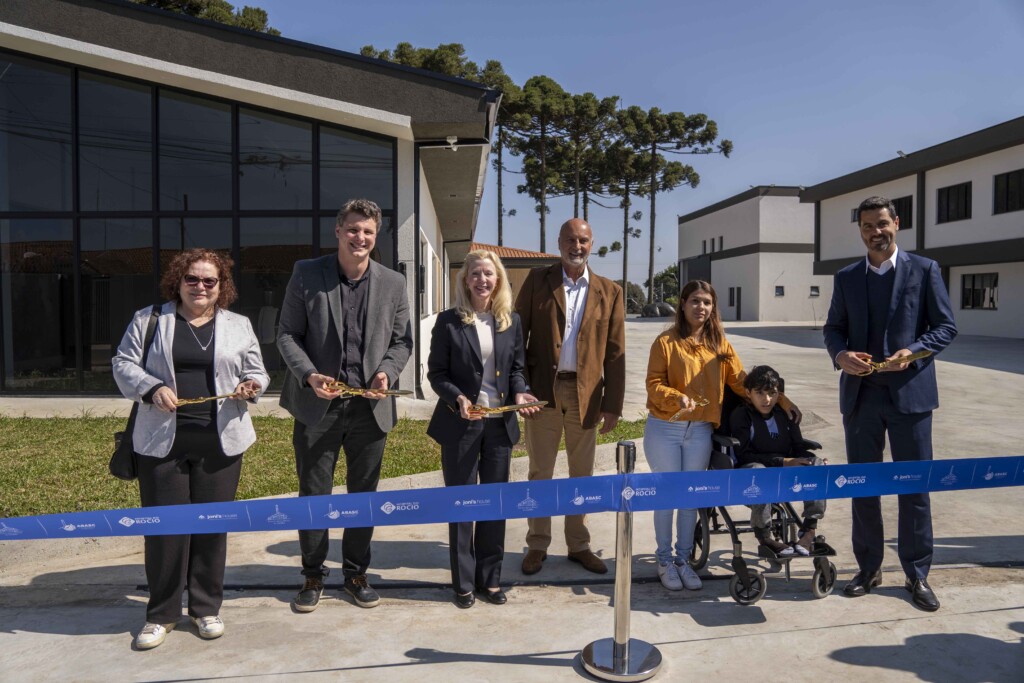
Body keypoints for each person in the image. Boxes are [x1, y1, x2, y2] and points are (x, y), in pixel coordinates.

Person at [112, 249, 269, 650]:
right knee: (165, 531)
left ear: (222, 286)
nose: (200, 287)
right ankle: (161, 614)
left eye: (209, 281)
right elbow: (123, 363)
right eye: (192, 279)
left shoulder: (238, 324)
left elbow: (258, 370)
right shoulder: (150, 319)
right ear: (178, 281)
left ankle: (205, 608)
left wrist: (251, 384)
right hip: (161, 442)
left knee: (211, 528)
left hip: (221, 442)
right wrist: (151, 387)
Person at [277, 198, 413, 612]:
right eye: (353, 229)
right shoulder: (307, 273)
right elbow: (287, 334)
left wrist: (386, 372)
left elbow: (401, 342)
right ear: (338, 231)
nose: (360, 237)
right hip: (318, 406)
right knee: (314, 493)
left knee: (363, 495)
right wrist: (309, 375)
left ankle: (355, 572)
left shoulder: (393, 282)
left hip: (370, 408)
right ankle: (313, 575)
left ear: (376, 236)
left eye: (368, 231)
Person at [824, 195, 957, 612]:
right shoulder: (846, 277)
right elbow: (833, 329)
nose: (875, 232)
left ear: (896, 223)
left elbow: (946, 326)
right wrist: (841, 356)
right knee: (864, 488)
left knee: (914, 489)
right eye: (867, 226)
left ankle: (917, 574)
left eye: (882, 223)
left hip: (910, 398)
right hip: (861, 399)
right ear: (860, 230)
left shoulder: (925, 270)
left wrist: (913, 351)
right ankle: (868, 568)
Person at [644, 280, 800, 591]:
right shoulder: (665, 342)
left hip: (701, 430)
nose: (701, 307)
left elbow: (743, 382)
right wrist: (677, 398)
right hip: (666, 428)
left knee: (690, 499)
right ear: (683, 305)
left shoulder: (721, 344)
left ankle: (683, 560)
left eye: (707, 302)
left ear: (713, 308)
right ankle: (664, 560)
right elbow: (653, 383)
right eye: (695, 301)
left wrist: (780, 398)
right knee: (667, 497)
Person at [427, 250, 542, 608]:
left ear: (499, 279)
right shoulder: (448, 321)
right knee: (462, 505)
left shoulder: (511, 321)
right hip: (461, 425)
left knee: (494, 505)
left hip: (499, 426)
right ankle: (463, 583)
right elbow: (437, 374)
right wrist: (458, 398)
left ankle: (489, 580)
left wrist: (522, 391)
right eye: (475, 273)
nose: (482, 280)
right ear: (465, 280)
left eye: (488, 274)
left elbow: (517, 369)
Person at [514, 218, 626, 576]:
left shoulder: (610, 292)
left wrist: (613, 404)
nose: (576, 246)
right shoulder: (537, 281)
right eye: (570, 240)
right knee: (540, 472)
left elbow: (615, 352)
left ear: (592, 244)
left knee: (582, 475)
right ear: (559, 242)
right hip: (543, 394)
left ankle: (578, 545)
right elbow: (518, 338)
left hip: (587, 394)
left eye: (583, 240)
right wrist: (521, 388)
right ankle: (537, 544)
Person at [730, 365, 827, 557]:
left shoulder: (785, 413)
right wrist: (782, 461)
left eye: (772, 393)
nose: (767, 399)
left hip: (785, 472)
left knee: (816, 465)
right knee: (760, 471)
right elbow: (744, 455)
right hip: (752, 473)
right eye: (760, 393)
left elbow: (797, 446)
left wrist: (810, 460)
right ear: (748, 393)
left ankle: (808, 530)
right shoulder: (741, 416)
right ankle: (764, 536)